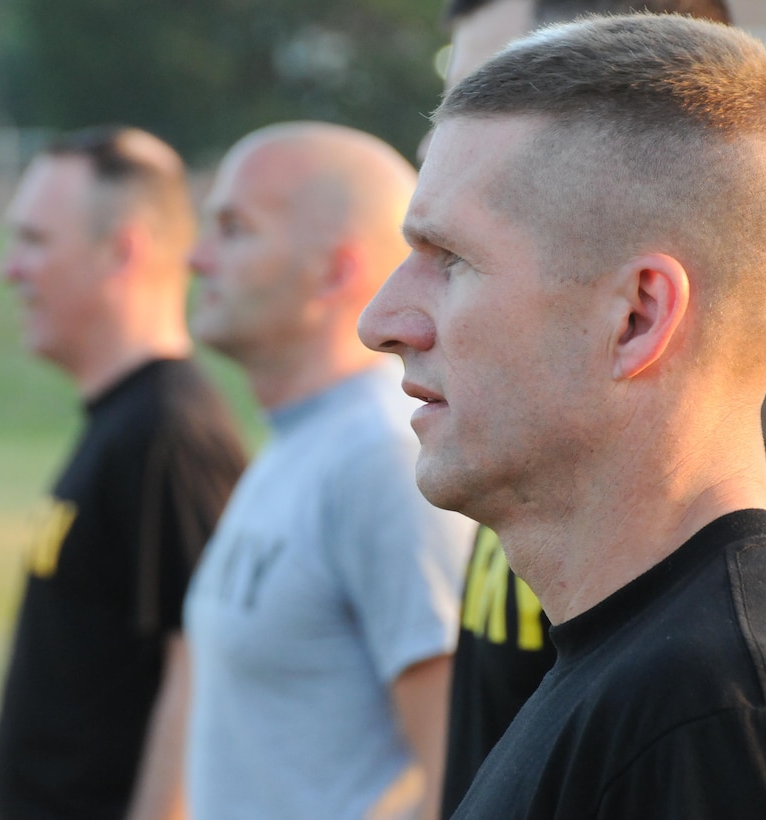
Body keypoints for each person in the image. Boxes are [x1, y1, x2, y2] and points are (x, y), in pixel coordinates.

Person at [359, 14, 766, 816]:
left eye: (454, 260)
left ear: (637, 318)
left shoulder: (723, 716)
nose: (382, 321)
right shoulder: (666, 678)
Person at [183, 121, 475, 820]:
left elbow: (453, 770)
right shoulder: (300, 441)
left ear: (335, 270)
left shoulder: (383, 460)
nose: (196, 257)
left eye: (233, 228)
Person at [0, 125, 247, 820]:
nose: (8, 269)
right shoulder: (125, 422)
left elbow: (203, 666)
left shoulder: (168, 433)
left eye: (34, 241)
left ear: (121, 251)